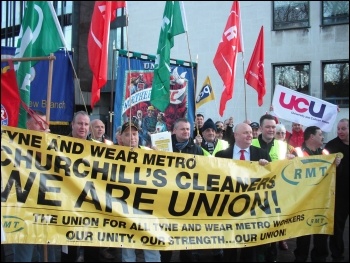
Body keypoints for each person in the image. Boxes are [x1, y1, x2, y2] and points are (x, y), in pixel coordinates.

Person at [215, 122, 271, 262]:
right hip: (228, 207)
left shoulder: (261, 154)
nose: (250, 135)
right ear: (236, 135)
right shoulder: (221, 155)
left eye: (251, 132)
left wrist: (267, 167)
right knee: (229, 245)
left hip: (252, 208)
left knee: (250, 247)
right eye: (246, 132)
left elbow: (271, 179)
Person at [13, 110, 56, 262]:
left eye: (45, 124)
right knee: (24, 255)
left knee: (42, 256)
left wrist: (48, 145)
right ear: (28, 125)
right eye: (39, 124)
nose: (43, 127)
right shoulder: (17, 145)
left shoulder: (51, 145)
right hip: (23, 210)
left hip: (45, 209)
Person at [251, 114, 296, 262]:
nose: (271, 130)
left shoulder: (283, 146)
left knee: (273, 229)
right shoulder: (251, 143)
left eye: (273, 127)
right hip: (255, 194)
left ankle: (272, 256)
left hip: (276, 194)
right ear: (261, 128)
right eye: (268, 127)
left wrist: (291, 162)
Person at [293, 126, 341, 262]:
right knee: (303, 234)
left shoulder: (326, 153)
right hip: (304, 201)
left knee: (321, 234)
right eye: (320, 134)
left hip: (322, 201)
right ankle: (300, 258)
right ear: (311, 137)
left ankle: (320, 258)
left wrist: (337, 164)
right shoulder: (297, 152)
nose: (322, 136)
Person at [61, 111, 100, 262]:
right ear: (72, 124)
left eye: (85, 124)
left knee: (92, 250)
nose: (82, 127)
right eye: (79, 123)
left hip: (91, 205)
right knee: (68, 251)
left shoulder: (97, 147)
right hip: (68, 204)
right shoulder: (59, 144)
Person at [119, 121, 161, 262]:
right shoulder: (113, 155)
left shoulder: (150, 153)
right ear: (121, 137)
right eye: (127, 134)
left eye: (134, 134)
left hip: (147, 207)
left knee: (152, 247)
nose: (132, 137)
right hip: (125, 208)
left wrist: (160, 156)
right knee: (128, 250)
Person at [171, 118, 204, 262]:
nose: (186, 132)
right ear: (175, 131)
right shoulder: (164, 145)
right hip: (168, 197)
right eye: (183, 129)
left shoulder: (196, 149)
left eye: (188, 129)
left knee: (187, 239)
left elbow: (203, 171)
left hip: (188, 198)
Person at [325, 118, 349, 262]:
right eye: (338, 129)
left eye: (343, 128)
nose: (340, 131)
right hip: (339, 194)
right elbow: (323, 166)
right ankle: (337, 255)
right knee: (337, 227)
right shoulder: (332, 145)